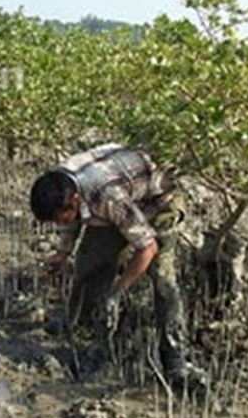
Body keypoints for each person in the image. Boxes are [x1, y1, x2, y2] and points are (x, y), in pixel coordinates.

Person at [29, 143, 195, 384]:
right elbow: (68, 220)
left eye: (58, 218)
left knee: (162, 279)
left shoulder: (106, 197)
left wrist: (117, 291)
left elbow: (148, 248)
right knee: (89, 262)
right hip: (123, 195)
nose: (57, 224)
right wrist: (63, 253)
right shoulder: (60, 182)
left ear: (75, 202)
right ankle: (85, 331)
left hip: (159, 200)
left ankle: (175, 358)